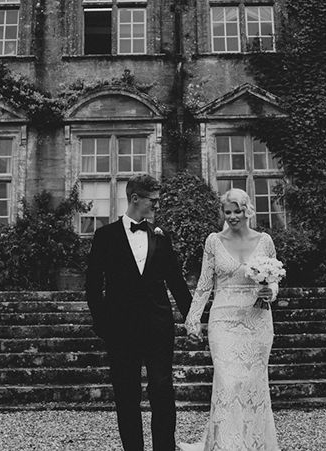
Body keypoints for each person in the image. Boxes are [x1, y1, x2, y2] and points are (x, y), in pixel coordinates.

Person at [86, 173, 192, 451]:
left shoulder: (161, 236)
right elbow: (93, 285)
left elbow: (177, 282)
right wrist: (103, 325)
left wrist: (193, 319)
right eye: (153, 202)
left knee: (163, 392)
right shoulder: (105, 236)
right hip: (120, 330)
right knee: (126, 395)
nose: (157, 207)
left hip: (158, 327)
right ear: (135, 199)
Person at [179, 188, 280, 451]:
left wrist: (271, 292)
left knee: (252, 383)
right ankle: (225, 445)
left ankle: (255, 442)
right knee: (227, 381)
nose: (233, 216)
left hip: (257, 320)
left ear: (247, 210)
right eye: (228, 211)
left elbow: (274, 281)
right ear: (222, 213)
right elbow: (204, 284)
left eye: (238, 211)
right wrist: (193, 319)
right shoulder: (213, 241)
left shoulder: (265, 240)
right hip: (223, 321)